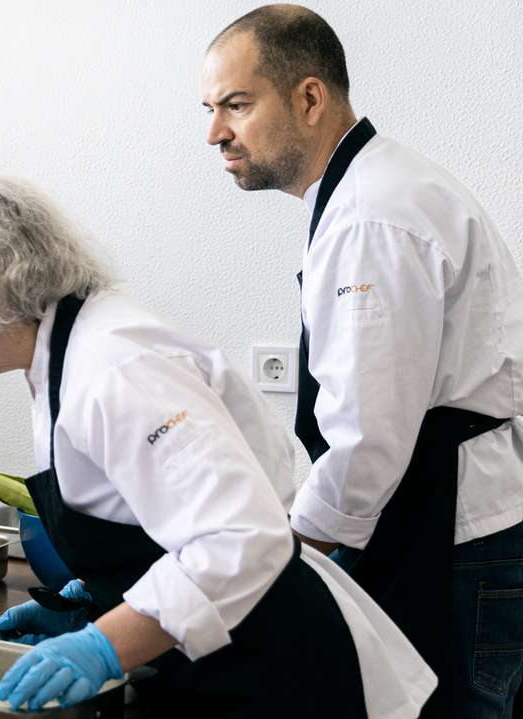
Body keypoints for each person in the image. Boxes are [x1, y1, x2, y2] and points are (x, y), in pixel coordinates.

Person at [0, 174, 435, 716]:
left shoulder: (114, 367)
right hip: (211, 662)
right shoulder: (64, 356)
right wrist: (101, 606)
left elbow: (242, 537)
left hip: (274, 670)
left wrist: (104, 645)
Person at [202, 6, 523, 716]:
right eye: (212, 108)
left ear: (310, 98)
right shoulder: (365, 193)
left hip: (457, 542)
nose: (215, 132)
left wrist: (275, 558)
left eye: (236, 105)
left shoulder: (372, 216)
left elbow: (364, 442)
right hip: (448, 525)